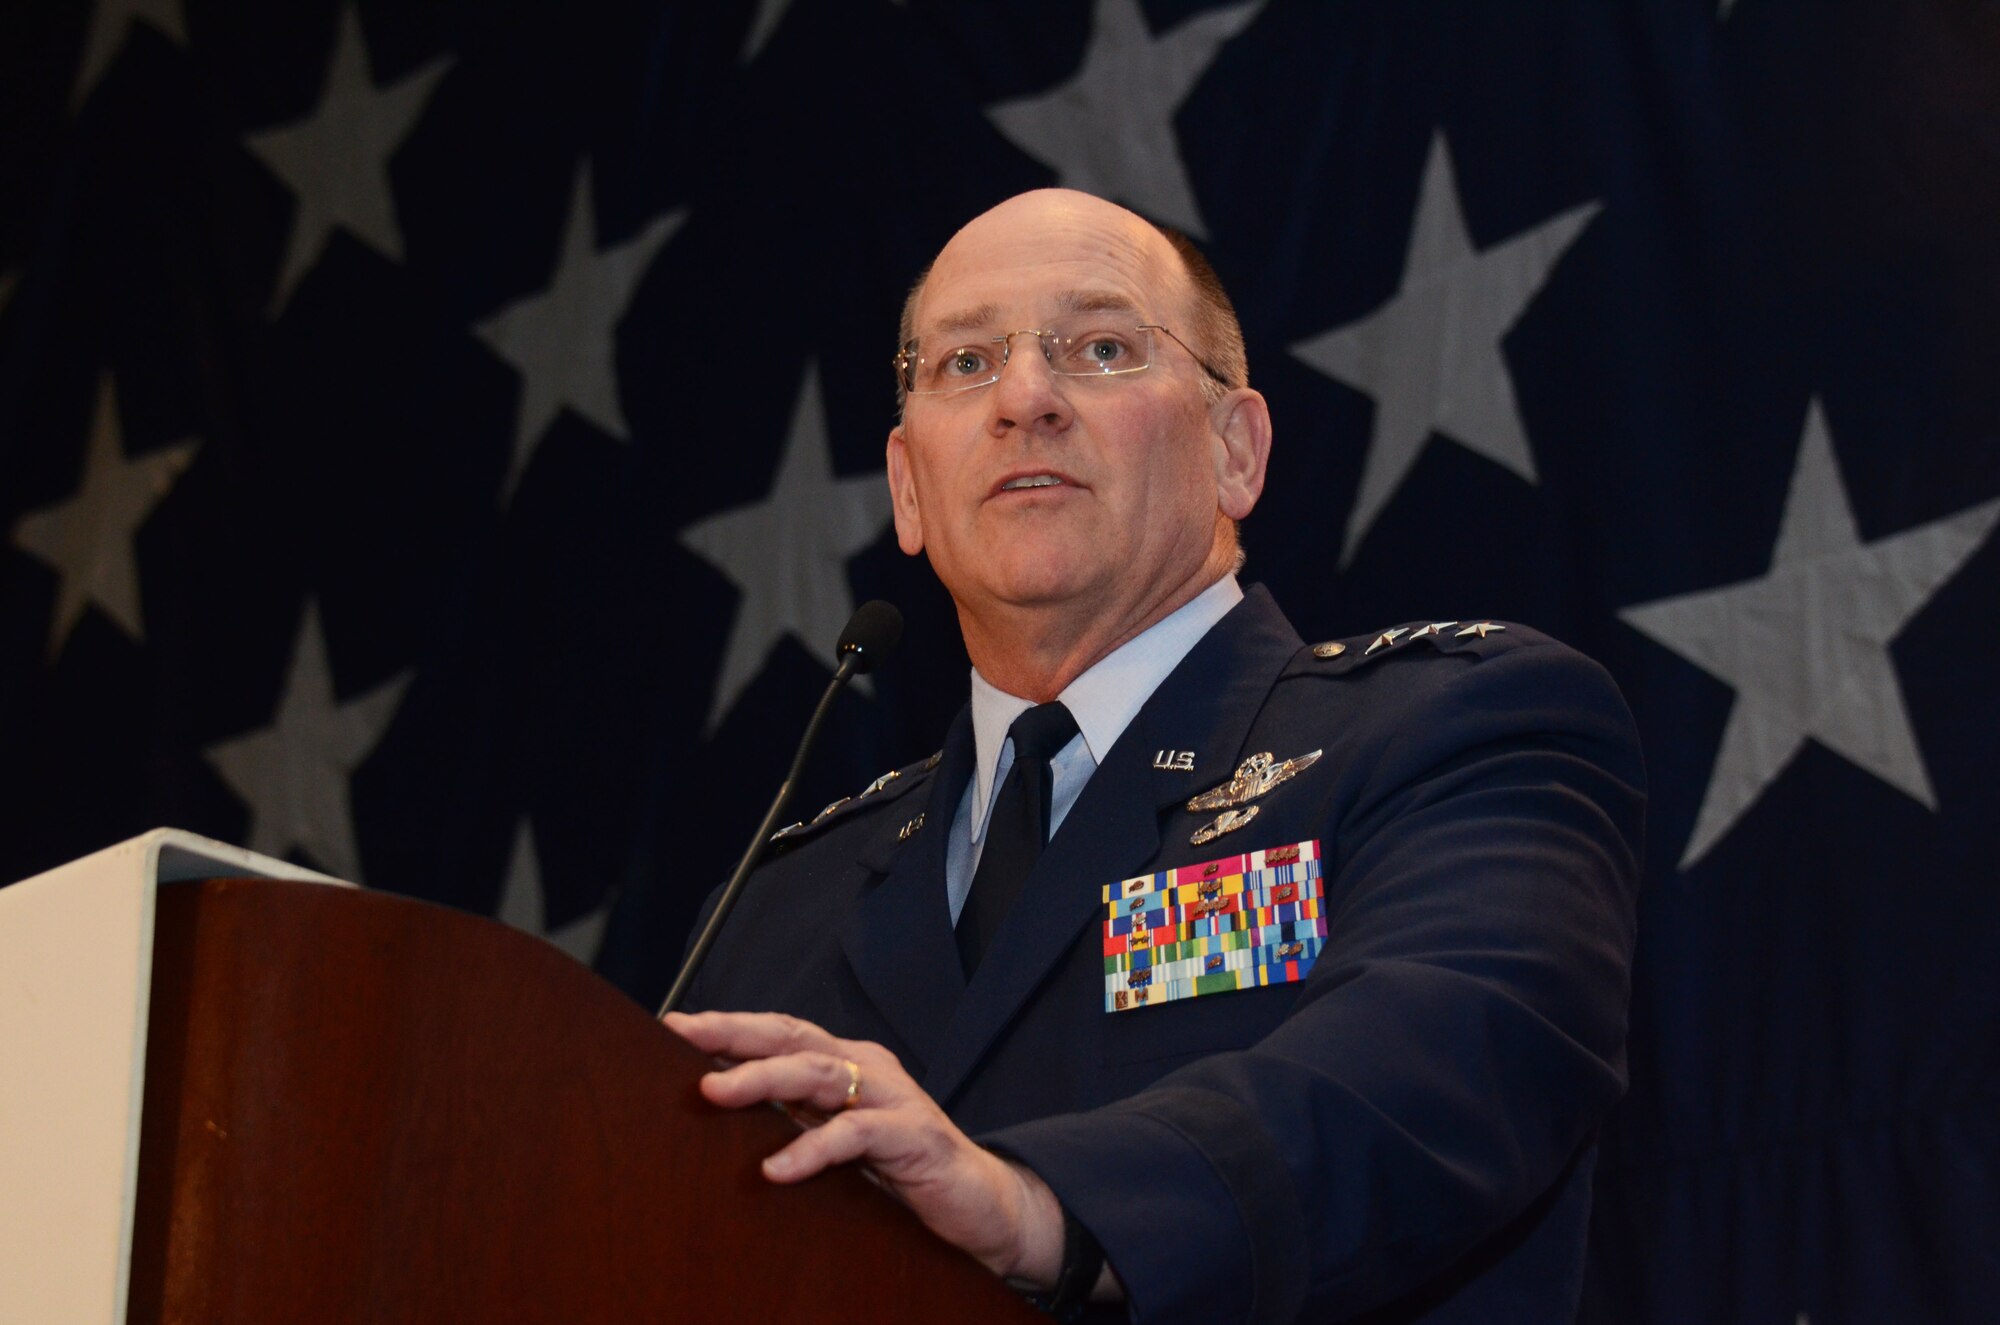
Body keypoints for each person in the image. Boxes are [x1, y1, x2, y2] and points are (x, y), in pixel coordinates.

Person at [665, 188, 1645, 1324]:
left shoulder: (1451, 735)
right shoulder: (768, 909)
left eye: (1100, 347)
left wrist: (1038, 1205)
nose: (1023, 400)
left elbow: (1433, 1077)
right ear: (906, 487)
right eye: (965, 362)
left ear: (1234, 451)